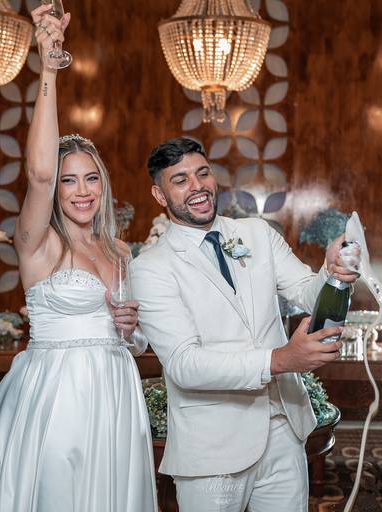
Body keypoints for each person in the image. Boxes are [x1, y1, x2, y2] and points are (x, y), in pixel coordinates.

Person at [0, 5, 157, 511]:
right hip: (57, 394)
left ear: (103, 185)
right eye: (69, 180)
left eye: (91, 179)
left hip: (116, 392)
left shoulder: (120, 250)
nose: (81, 190)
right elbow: (38, 173)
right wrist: (48, 68)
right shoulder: (38, 244)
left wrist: (132, 329)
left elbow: (134, 339)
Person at [131, 137, 359, 511]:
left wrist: (333, 272)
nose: (197, 186)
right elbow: (185, 364)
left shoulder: (257, 233)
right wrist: (280, 360)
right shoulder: (150, 267)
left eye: (203, 173)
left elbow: (306, 292)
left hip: (284, 431)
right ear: (160, 194)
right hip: (213, 446)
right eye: (181, 180)